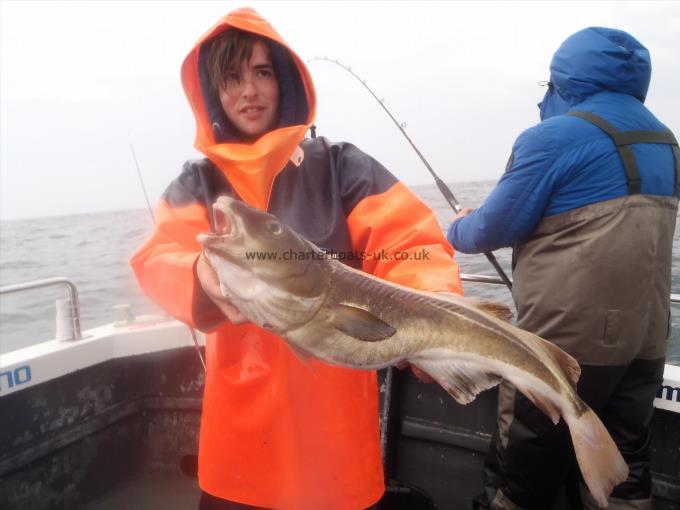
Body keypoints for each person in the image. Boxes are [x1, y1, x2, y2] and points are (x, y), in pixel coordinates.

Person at [130, 8, 463, 510]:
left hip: (336, 447)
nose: (249, 91)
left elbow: (411, 244)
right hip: (236, 449)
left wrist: (434, 300)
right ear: (212, 91)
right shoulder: (197, 183)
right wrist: (198, 275)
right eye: (232, 77)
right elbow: (158, 257)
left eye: (262, 72)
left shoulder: (342, 167)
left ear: (284, 80)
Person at [447, 27, 679, 510]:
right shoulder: (665, 140)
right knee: (626, 466)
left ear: (565, 80)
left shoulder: (552, 138)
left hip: (562, 347)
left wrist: (457, 228)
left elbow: (490, 230)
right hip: (646, 341)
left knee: (524, 467)